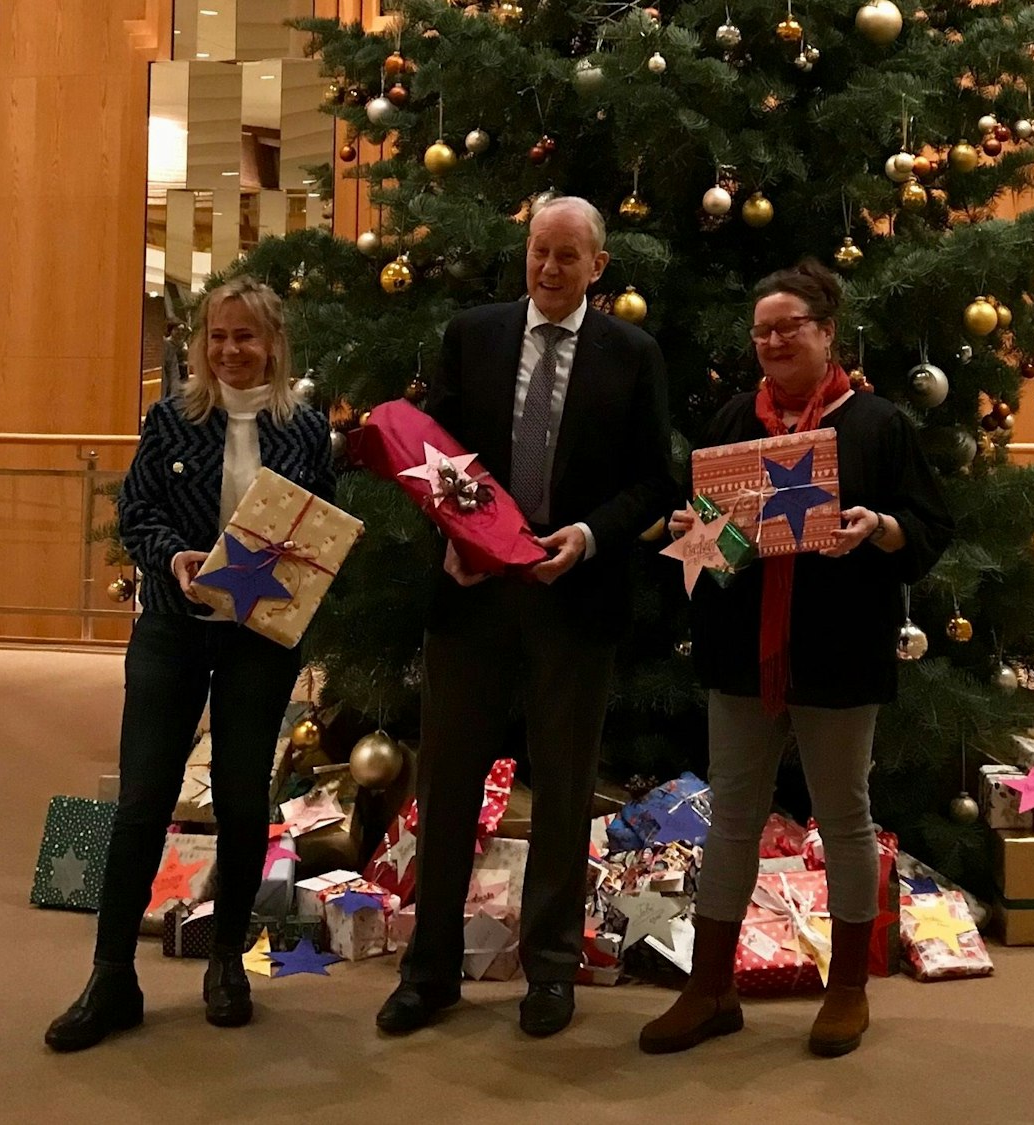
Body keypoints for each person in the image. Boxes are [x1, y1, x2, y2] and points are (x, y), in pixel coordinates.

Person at [376, 196, 678, 1038]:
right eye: (539, 251)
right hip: (471, 594)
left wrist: (588, 536)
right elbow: (431, 455)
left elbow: (655, 481)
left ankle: (550, 970)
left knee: (564, 787)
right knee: (446, 785)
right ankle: (429, 971)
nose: (548, 268)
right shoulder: (473, 335)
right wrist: (453, 534)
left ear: (598, 267)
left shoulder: (633, 355)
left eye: (567, 256)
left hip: (575, 598)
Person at [640, 259, 953, 1058]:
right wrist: (691, 530)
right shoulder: (731, 419)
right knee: (731, 818)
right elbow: (709, 546)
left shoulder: (877, 424)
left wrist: (879, 527)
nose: (774, 341)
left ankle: (846, 987)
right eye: (762, 332)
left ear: (827, 331)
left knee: (844, 816)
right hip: (742, 650)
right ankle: (711, 987)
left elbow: (928, 525)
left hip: (839, 647)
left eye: (790, 327)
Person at [45, 276, 332, 1052]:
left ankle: (226, 963)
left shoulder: (306, 429)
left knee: (241, 799)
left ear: (273, 344)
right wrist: (172, 556)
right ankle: (111, 976)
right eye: (217, 336)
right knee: (143, 798)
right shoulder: (171, 419)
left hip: (258, 641)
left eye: (246, 336)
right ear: (202, 343)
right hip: (173, 630)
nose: (230, 350)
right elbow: (136, 513)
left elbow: (320, 532)